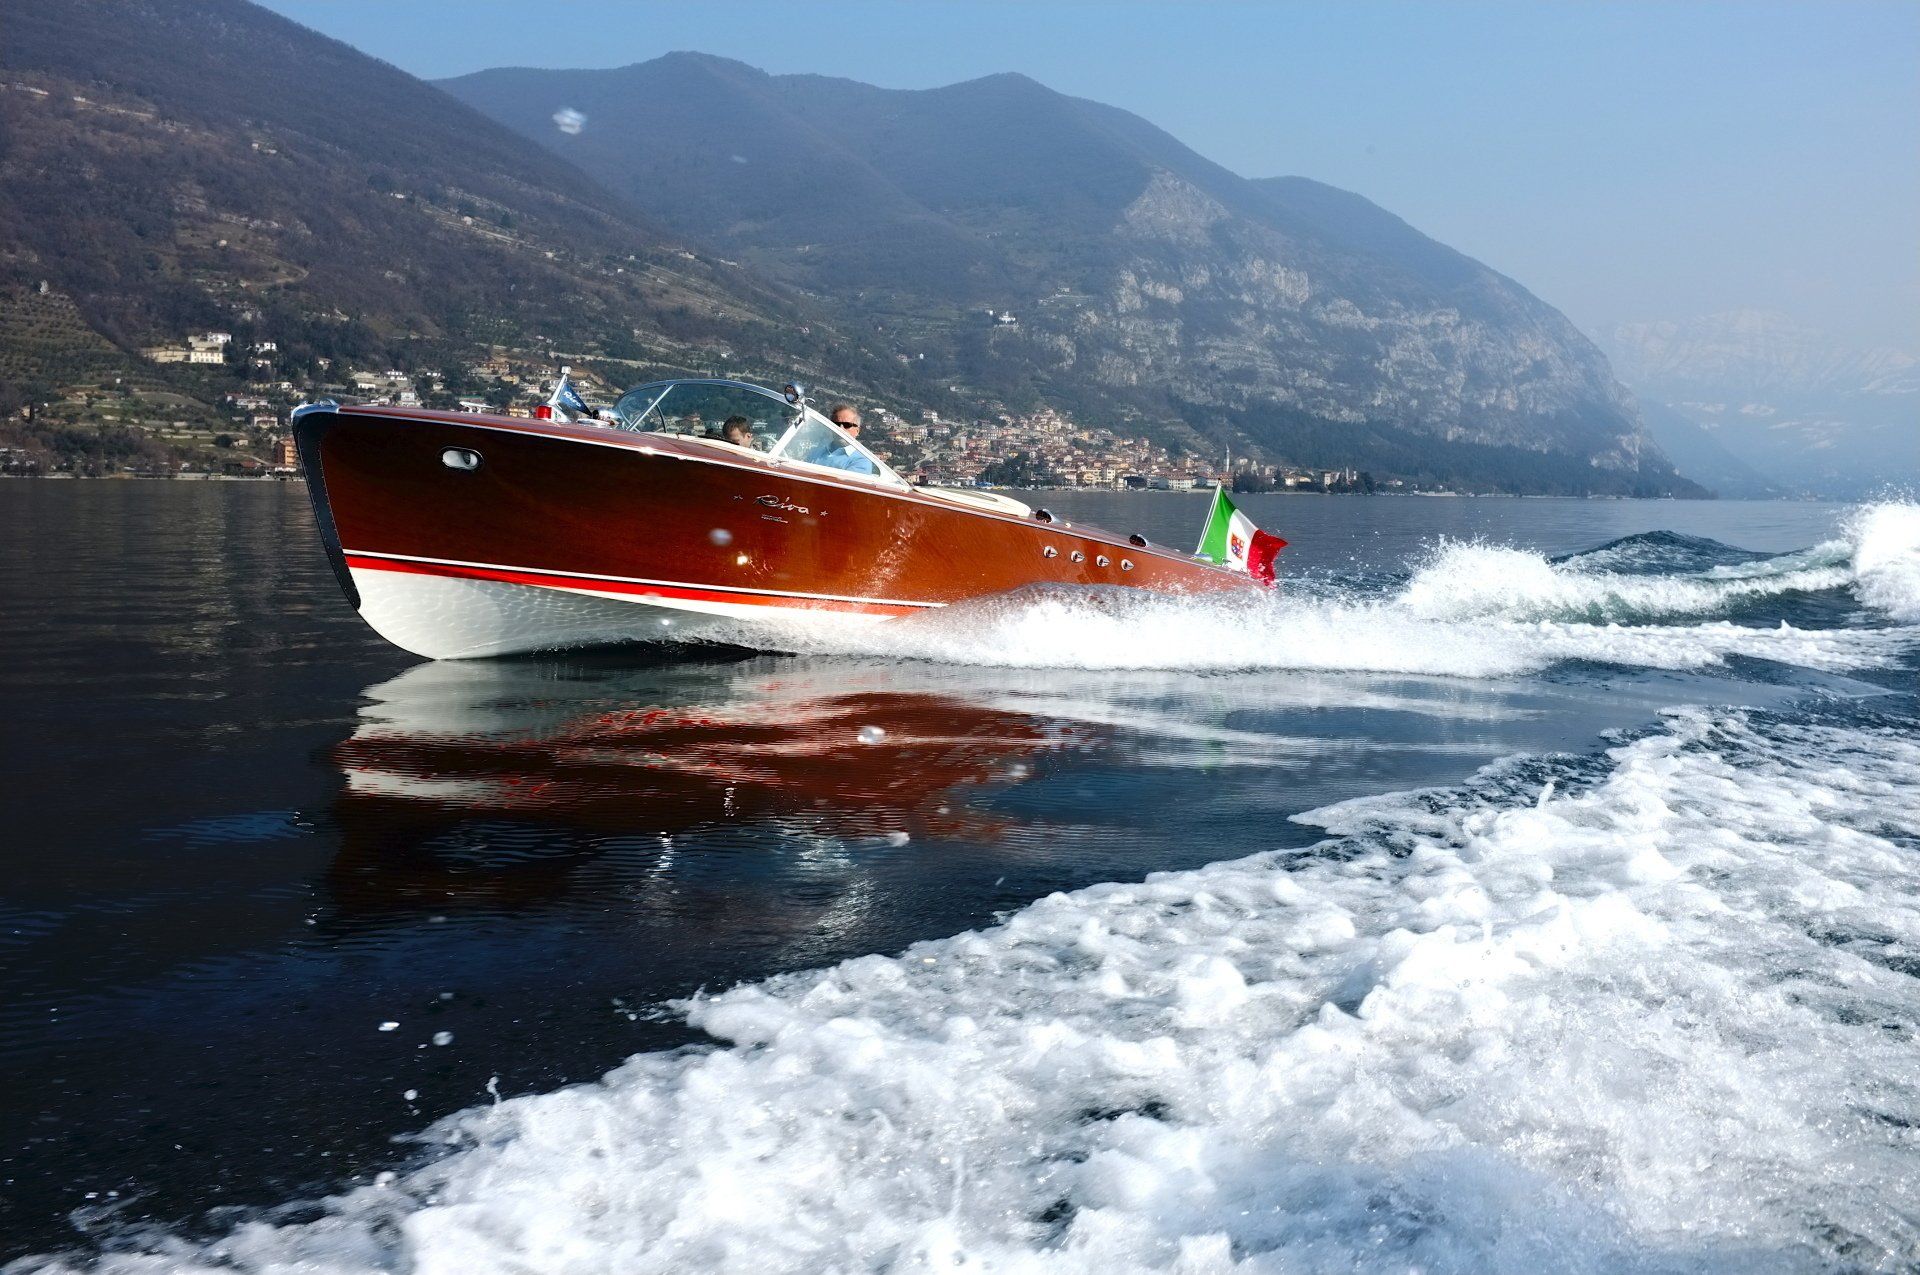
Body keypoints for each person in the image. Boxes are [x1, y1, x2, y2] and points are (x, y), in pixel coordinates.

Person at [814, 403, 877, 475]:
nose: (840, 428)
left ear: (857, 431)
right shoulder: (817, 451)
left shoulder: (862, 461)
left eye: (847, 425)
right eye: (837, 424)